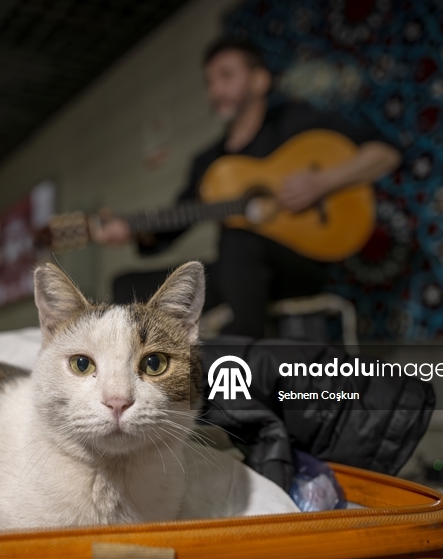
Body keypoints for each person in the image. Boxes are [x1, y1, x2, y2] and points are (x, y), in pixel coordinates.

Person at [94, 38, 401, 338]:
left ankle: (241, 356)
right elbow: (177, 220)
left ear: (259, 80)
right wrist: (135, 229)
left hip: (300, 266)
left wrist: (321, 182)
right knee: (128, 287)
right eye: (209, 82)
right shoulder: (208, 162)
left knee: (237, 237)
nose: (215, 90)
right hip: (241, 275)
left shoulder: (295, 121)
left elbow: (385, 154)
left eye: (226, 76)